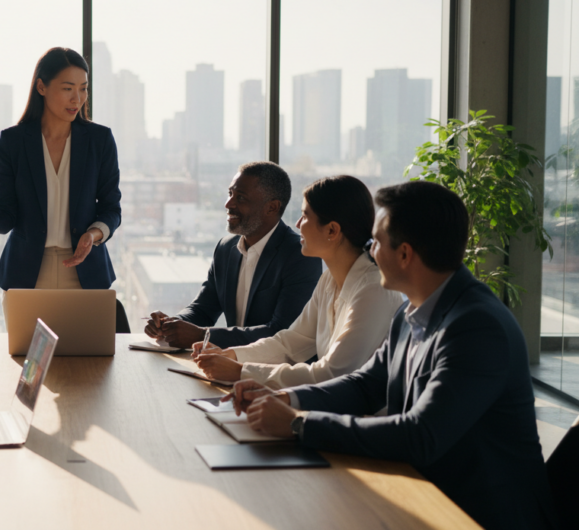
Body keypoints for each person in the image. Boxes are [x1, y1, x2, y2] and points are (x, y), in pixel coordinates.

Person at [226, 181, 557, 530]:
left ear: (405, 254)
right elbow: (364, 385)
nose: (370, 251)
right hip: (423, 492)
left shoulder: (477, 327)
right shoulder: (410, 311)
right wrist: (285, 398)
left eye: (377, 242)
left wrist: (298, 423)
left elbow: (421, 435)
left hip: (477, 513)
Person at [0, 47, 121, 295]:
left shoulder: (100, 140)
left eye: (83, 88)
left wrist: (93, 233)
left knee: (85, 336)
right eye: (68, 88)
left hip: (86, 272)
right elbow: (7, 214)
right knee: (27, 337)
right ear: (41, 87)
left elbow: (111, 208)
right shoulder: (12, 142)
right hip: (27, 275)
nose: (77, 98)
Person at [192, 176, 402, 389]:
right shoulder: (329, 279)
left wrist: (241, 371)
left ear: (332, 230)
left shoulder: (373, 289)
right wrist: (232, 355)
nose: (297, 224)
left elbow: (334, 373)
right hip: (329, 409)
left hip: (365, 417)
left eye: (304, 216)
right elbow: (291, 342)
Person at [144, 161, 321, 349]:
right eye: (230, 194)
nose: (228, 204)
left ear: (272, 207)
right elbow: (203, 309)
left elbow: (281, 332)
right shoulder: (225, 248)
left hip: (280, 372)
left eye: (241, 198)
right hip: (228, 366)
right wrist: (170, 325)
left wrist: (205, 336)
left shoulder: (300, 254)